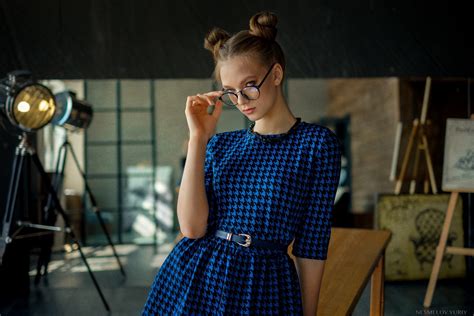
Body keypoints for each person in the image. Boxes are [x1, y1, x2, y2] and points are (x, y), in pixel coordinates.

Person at [142, 11, 341, 315]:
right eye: (230, 92)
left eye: (249, 85)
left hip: (266, 285)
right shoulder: (221, 145)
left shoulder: (316, 144)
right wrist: (199, 138)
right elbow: (192, 229)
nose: (242, 100)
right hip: (196, 277)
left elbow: (312, 244)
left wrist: (308, 313)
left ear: (275, 75)